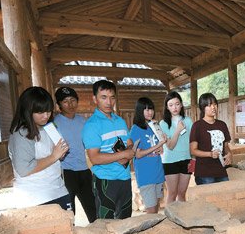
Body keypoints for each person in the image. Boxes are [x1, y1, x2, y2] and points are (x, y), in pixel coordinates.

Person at [8, 86, 71, 209]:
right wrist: (54, 156)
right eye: (40, 112)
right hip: (35, 197)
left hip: (58, 190)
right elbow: (24, 169)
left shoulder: (49, 127)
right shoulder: (21, 133)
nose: (46, 116)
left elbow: (57, 156)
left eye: (48, 111)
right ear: (27, 110)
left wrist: (61, 153)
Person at [82, 80, 135, 219]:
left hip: (125, 178)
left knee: (126, 221)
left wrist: (128, 152)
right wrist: (122, 155)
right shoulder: (91, 125)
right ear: (95, 99)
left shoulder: (120, 121)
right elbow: (94, 158)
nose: (109, 102)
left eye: (112, 97)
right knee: (106, 224)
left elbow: (129, 142)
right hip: (105, 180)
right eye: (103, 97)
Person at [54, 86, 97, 223]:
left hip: (84, 170)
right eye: (65, 101)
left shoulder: (83, 121)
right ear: (59, 104)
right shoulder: (54, 124)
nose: (70, 104)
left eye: (73, 100)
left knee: (93, 208)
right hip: (66, 172)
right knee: (69, 212)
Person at [130, 97, 166, 213]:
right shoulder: (135, 129)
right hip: (146, 175)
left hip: (157, 171)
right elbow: (138, 154)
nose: (150, 112)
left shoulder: (153, 127)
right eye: (146, 110)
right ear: (140, 111)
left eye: (151, 109)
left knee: (156, 209)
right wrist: (158, 145)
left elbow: (158, 147)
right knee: (151, 211)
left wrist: (160, 148)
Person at [190, 93, 232, 185]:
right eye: (209, 105)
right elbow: (193, 151)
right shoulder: (197, 126)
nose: (213, 107)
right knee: (208, 199)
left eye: (215, 104)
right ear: (203, 108)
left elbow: (225, 146)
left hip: (221, 170)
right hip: (204, 173)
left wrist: (229, 154)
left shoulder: (222, 124)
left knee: (225, 197)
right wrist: (210, 154)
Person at [159, 91, 193, 202]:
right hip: (170, 161)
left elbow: (192, 141)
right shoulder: (163, 123)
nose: (175, 107)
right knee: (172, 194)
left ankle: (181, 217)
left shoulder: (188, 121)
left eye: (177, 104)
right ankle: (169, 218)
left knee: (182, 193)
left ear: (181, 105)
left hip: (187, 160)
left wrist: (193, 160)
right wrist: (178, 130)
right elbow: (170, 146)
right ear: (167, 107)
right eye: (171, 105)